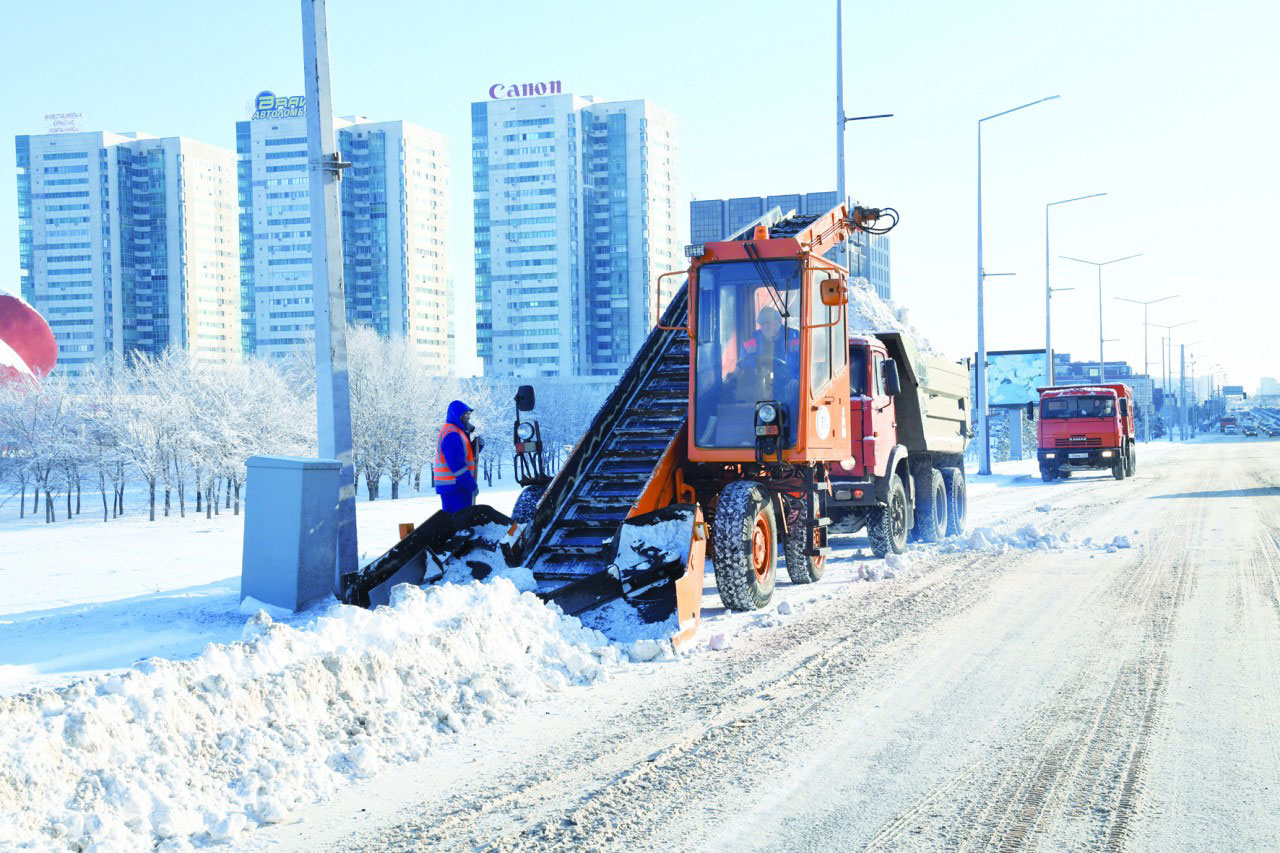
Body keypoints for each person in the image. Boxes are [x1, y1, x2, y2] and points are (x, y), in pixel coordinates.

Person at [736, 306, 800, 399]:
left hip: (790, 382)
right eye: (763, 324)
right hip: (761, 384)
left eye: (769, 322)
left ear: (779, 321)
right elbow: (744, 362)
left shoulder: (796, 338)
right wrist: (739, 368)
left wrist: (798, 377)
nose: (766, 326)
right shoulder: (751, 342)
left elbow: (806, 362)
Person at [433, 400, 480, 512]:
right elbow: (457, 465)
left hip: (454, 487)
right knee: (461, 524)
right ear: (458, 415)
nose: (468, 417)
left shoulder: (456, 432)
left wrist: (477, 446)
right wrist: (471, 485)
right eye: (466, 414)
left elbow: (464, 456)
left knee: (454, 524)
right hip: (456, 487)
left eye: (469, 414)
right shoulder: (452, 434)